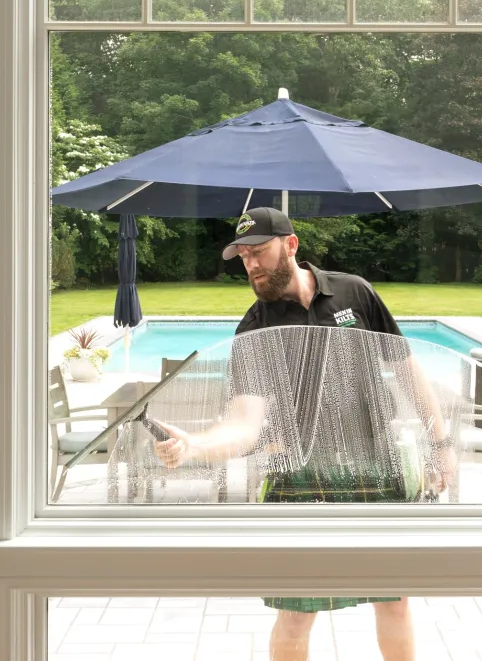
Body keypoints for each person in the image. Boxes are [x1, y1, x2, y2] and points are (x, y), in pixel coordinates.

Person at [153, 207, 456, 661]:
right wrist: (197, 445)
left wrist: (440, 445)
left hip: (376, 463)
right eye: (243, 257)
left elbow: (407, 371)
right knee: (296, 612)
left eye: (258, 252)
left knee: (394, 599)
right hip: (299, 474)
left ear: (290, 245)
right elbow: (245, 423)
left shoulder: (354, 292)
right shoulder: (255, 329)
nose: (250, 265)